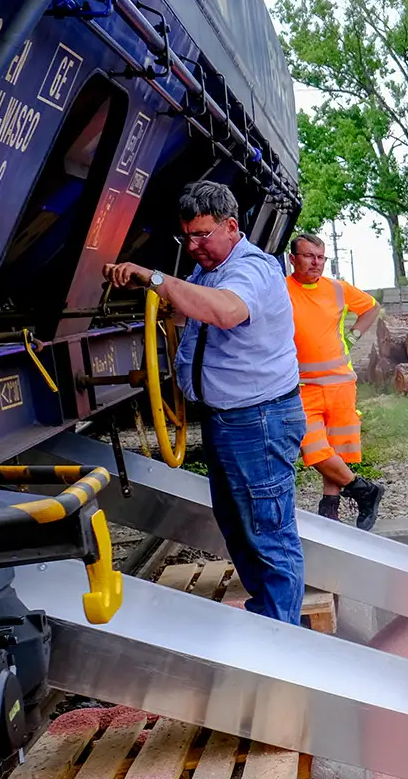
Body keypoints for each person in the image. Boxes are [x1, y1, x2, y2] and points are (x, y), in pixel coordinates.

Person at [106, 182, 306, 623]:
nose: (193, 246)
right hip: (231, 420)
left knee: (268, 534)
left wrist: (156, 278)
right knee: (240, 528)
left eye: (202, 235)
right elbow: (192, 312)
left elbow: (225, 312)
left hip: (258, 420)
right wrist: (154, 295)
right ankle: (267, 620)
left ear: (231, 226)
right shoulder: (210, 271)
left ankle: (283, 641)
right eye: (187, 237)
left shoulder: (251, 268)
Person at [287, 233, 386, 529]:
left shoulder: (337, 288)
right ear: (292, 259)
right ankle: (365, 490)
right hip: (302, 387)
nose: (316, 263)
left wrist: (352, 337)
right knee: (314, 449)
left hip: (341, 383)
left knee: (336, 451)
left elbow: (371, 307)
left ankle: (329, 510)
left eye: (320, 257)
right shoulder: (281, 290)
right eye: (309, 256)